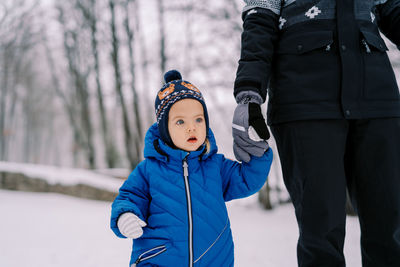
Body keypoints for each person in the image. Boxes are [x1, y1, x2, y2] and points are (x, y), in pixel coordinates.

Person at [232, 0, 400, 266]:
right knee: (320, 231)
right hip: (305, 104)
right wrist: (249, 92)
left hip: (376, 100)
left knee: (390, 227)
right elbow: (259, 22)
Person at [110, 70, 273, 266]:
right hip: (159, 260)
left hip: (214, 260)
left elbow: (248, 179)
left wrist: (255, 151)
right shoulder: (149, 171)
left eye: (198, 119)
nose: (192, 127)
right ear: (164, 129)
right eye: (180, 121)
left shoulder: (216, 166)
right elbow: (129, 197)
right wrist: (125, 215)